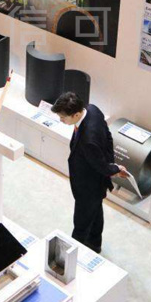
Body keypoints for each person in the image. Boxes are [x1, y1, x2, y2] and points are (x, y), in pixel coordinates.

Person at [52, 92, 130, 254]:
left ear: (76, 114)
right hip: (95, 182)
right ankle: (94, 244)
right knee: (95, 213)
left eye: (63, 117)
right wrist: (112, 163)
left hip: (88, 186)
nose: (61, 120)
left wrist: (114, 169)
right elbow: (108, 137)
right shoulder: (93, 110)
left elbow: (100, 165)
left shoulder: (88, 140)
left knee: (81, 224)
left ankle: (71, 256)